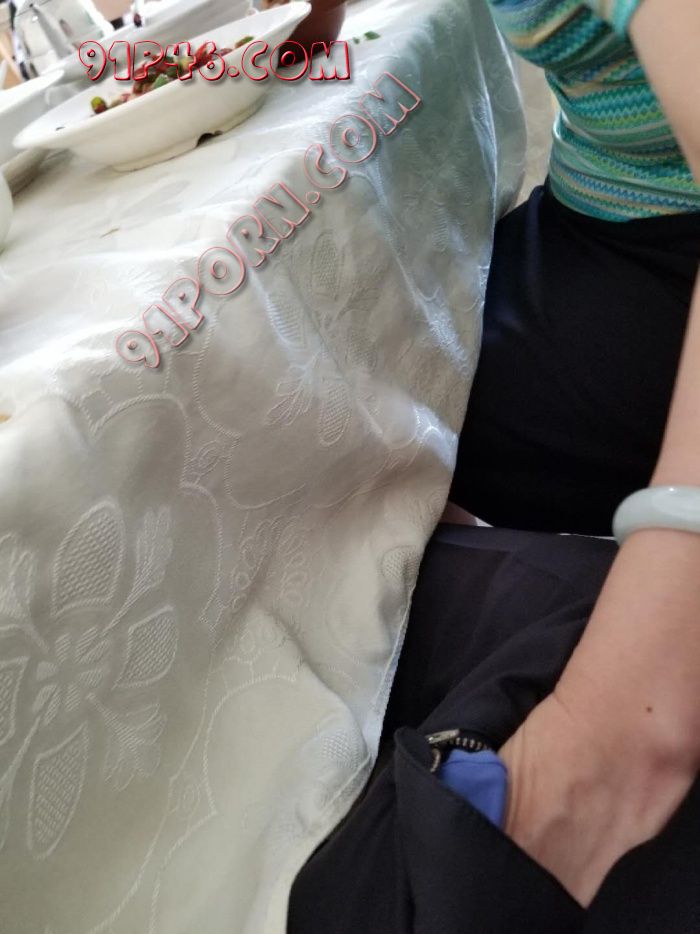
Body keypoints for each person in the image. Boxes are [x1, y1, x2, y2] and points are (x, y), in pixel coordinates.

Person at [287, 0, 700, 928]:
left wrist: (614, 734)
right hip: (594, 218)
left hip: (664, 252)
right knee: (346, 394)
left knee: (340, 462)